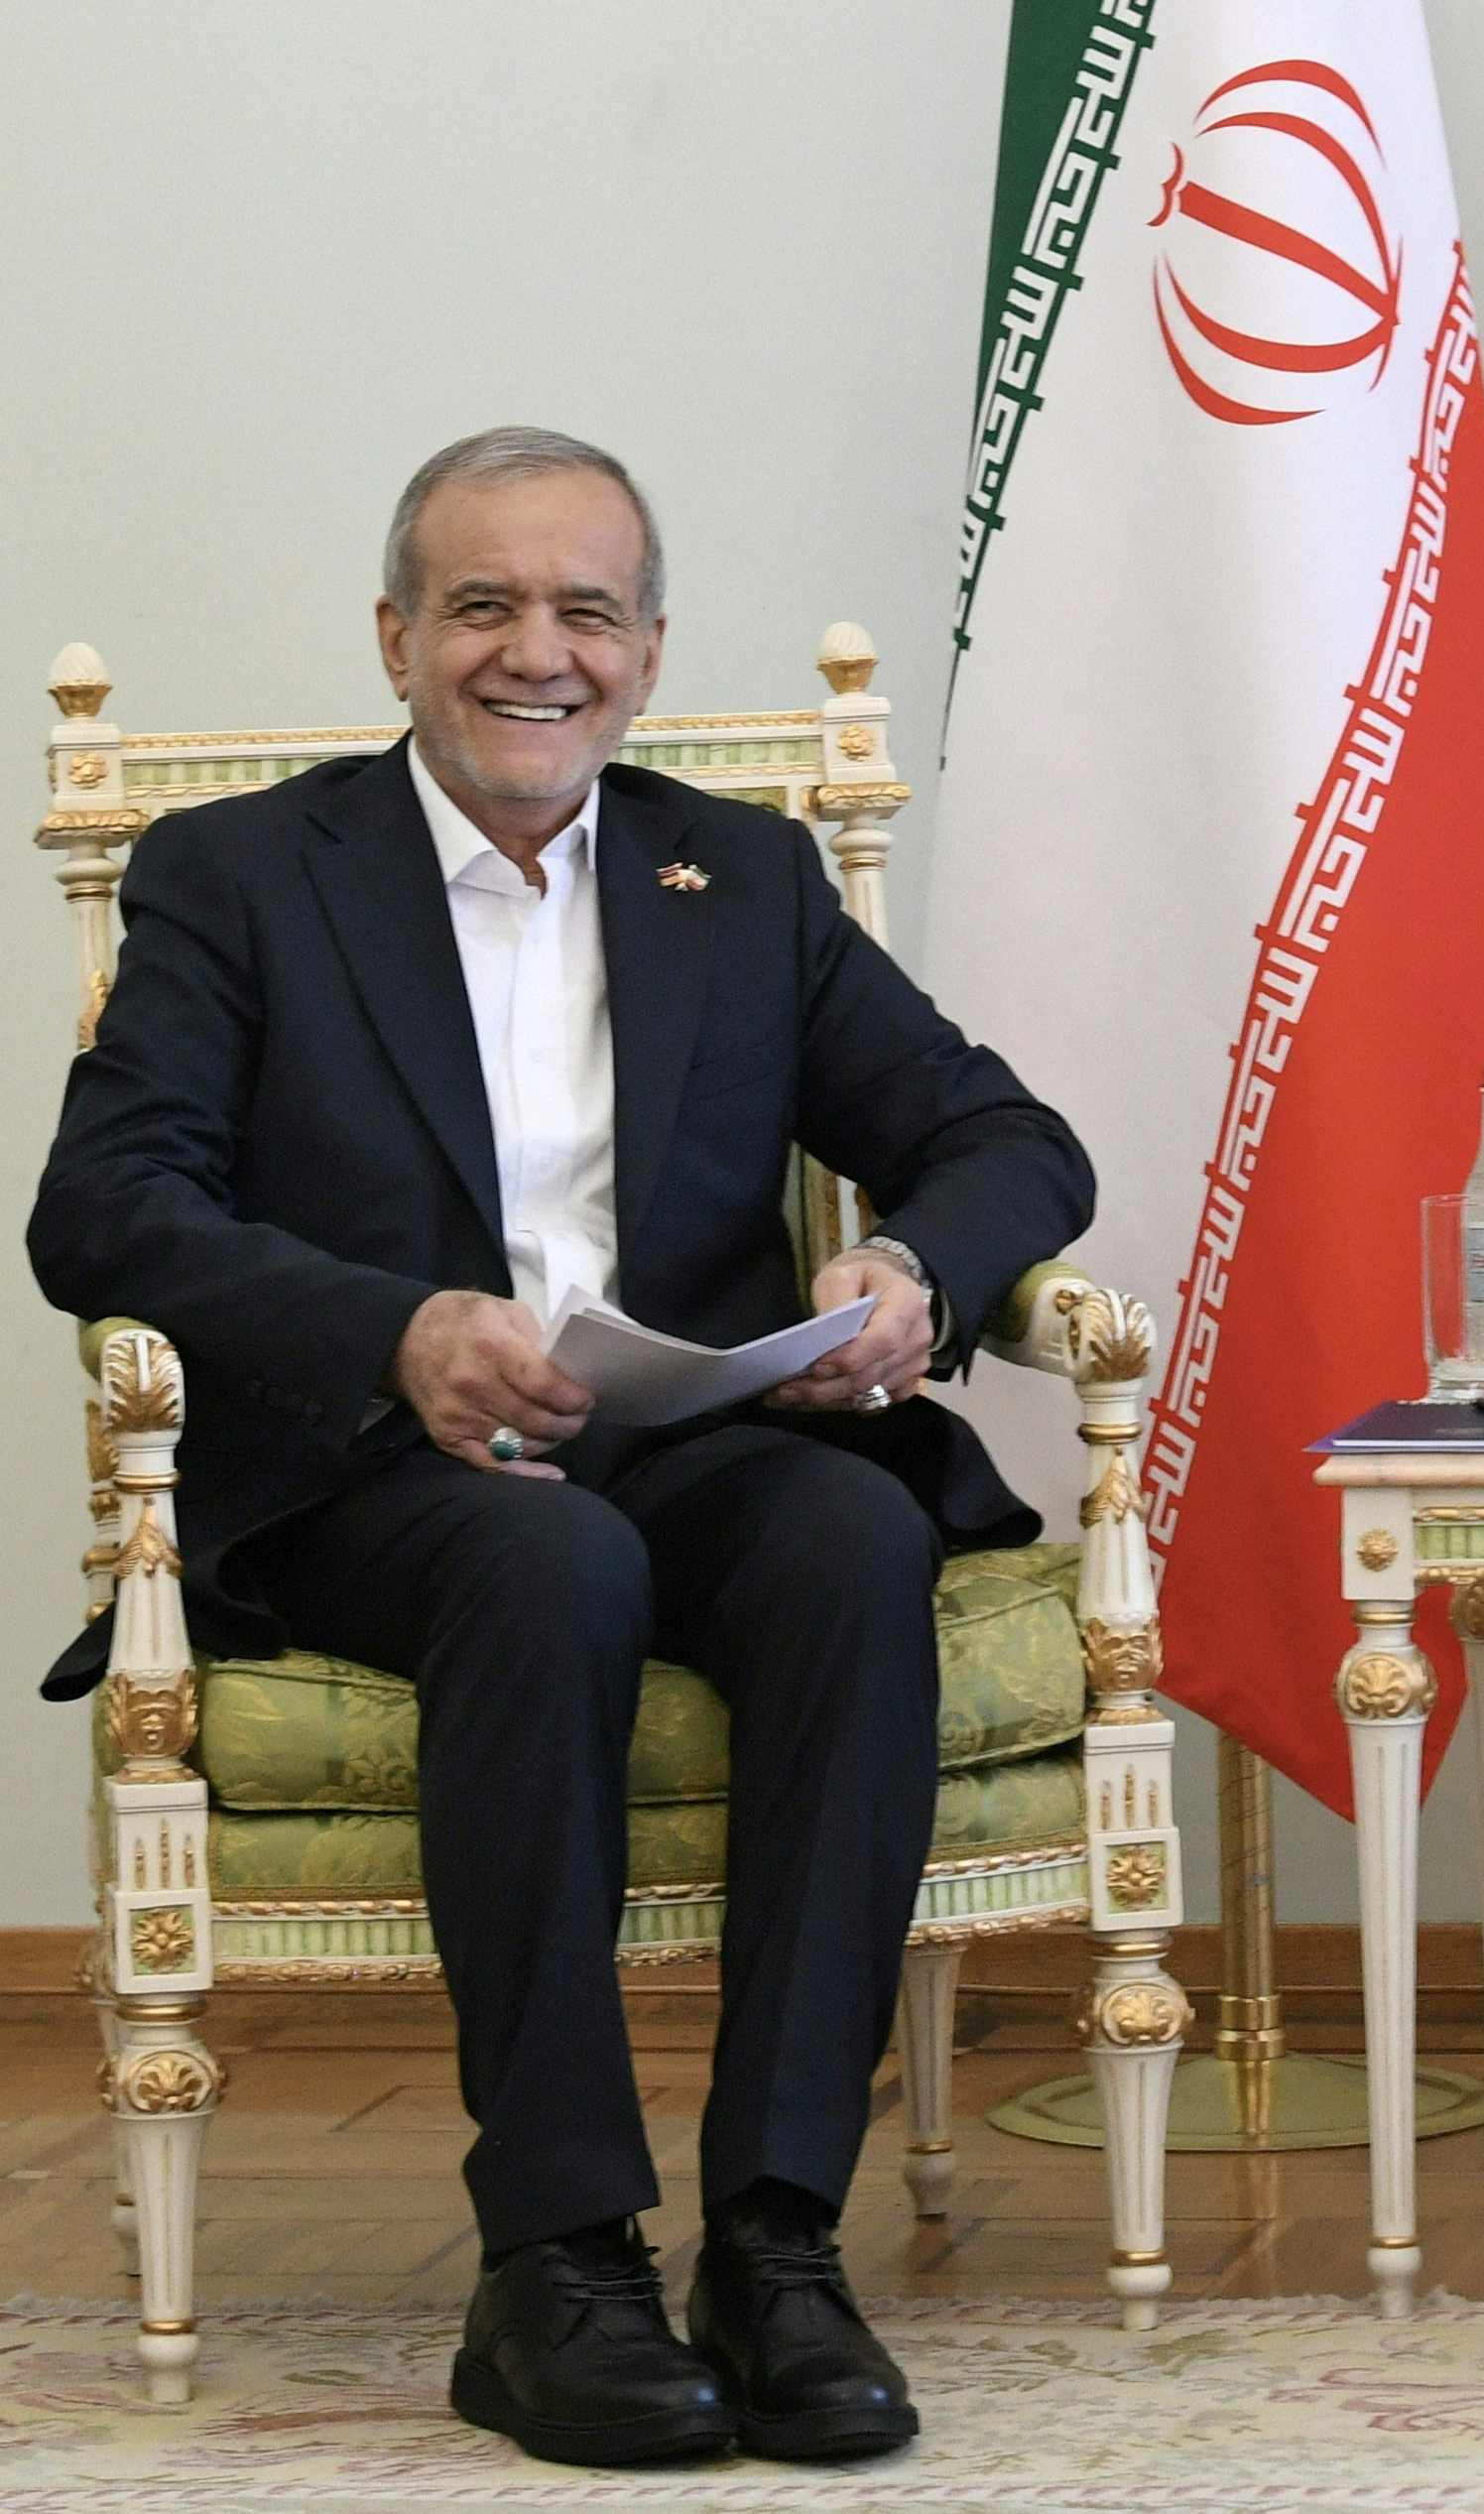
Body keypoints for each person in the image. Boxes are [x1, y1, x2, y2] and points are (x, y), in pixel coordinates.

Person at [29, 428, 1095, 2468]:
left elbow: (1008, 1140)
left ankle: (777, 2241)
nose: (540, 652)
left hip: (673, 1430)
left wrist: (898, 1268)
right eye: (485, 606)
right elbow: (104, 1209)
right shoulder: (247, 875)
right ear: (399, 638)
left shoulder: (741, 873)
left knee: (848, 1546)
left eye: (586, 610)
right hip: (378, 1471)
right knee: (549, 1563)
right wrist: (396, 1326)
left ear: (649, 648)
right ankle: (556, 2259)